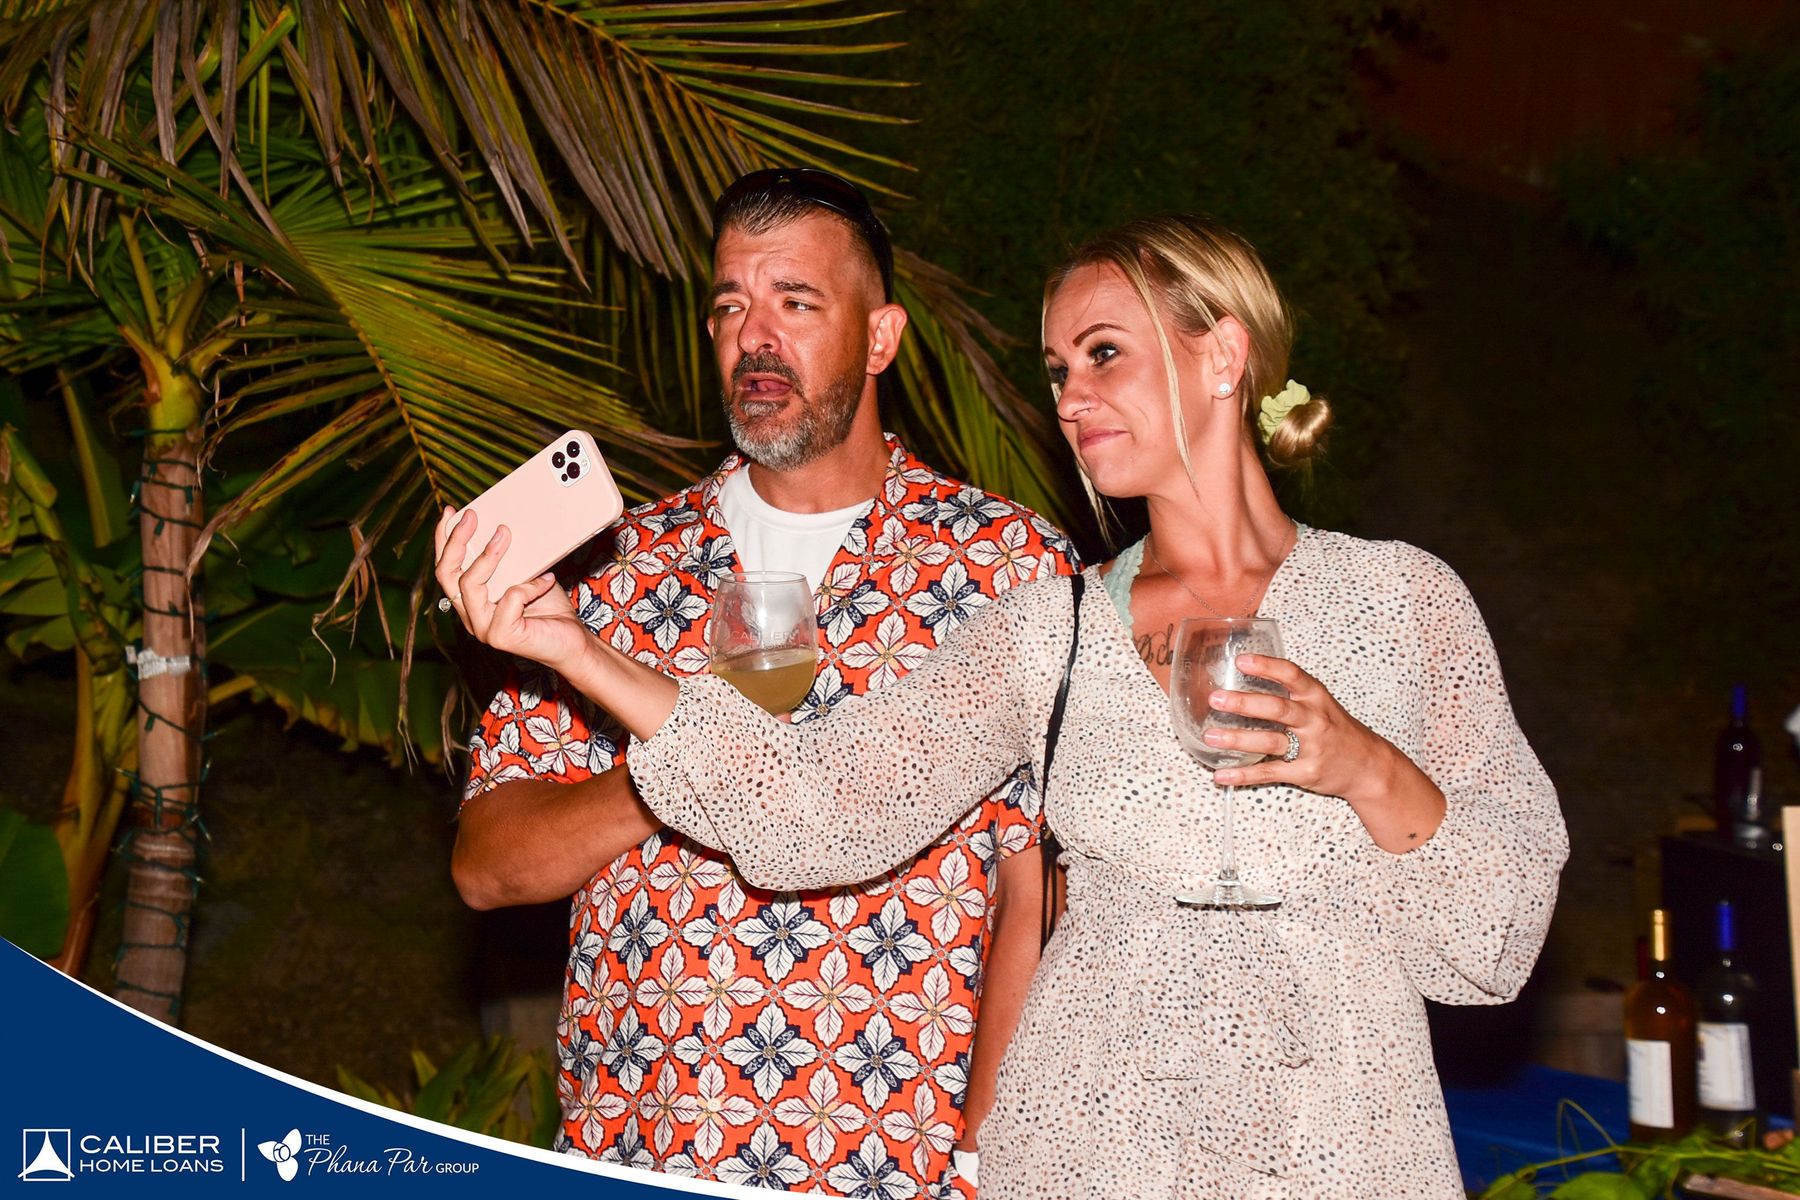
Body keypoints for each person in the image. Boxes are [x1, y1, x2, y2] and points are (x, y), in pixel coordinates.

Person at [456, 212, 1570, 1198]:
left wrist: (1365, 766)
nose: (1072, 398)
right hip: (1096, 1149)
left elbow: (1496, 939)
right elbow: (818, 808)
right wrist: (574, 649)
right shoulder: (1050, 628)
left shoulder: (1402, 600)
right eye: (1057, 370)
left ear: (1223, 353)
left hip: (1342, 1142)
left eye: (1104, 354)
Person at [438, 168, 1078, 1195]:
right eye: (731, 305)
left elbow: (1037, 885)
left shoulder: (1005, 567)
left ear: (880, 338)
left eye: (796, 302)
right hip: (646, 1145)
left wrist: (986, 1155)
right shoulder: (616, 572)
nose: (755, 337)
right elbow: (487, 867)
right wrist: (684, 767)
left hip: (893, 1163)